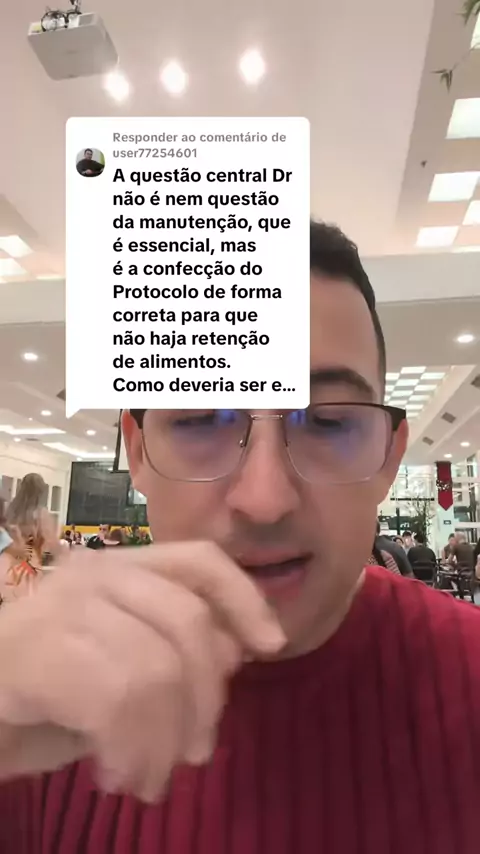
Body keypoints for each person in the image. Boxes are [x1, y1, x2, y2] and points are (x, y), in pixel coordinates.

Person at [2, 221, 480, 852]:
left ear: (389, 458)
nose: (265, 499)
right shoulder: (34, 708)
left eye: (329, 423)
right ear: (137, 451)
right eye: (203, 417)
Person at [1, 473, 57, 601]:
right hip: (30, 565)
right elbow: (49, 544)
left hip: (6, 563)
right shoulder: (40, 514)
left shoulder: (8, 510)